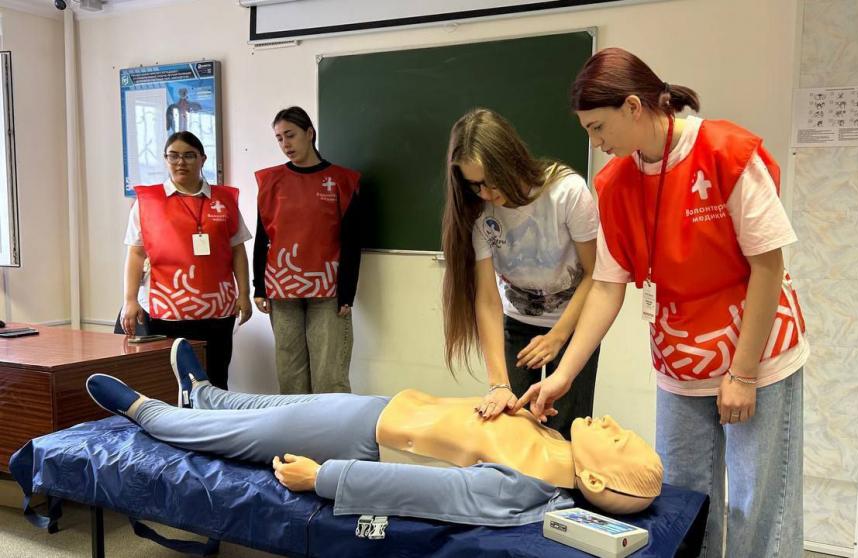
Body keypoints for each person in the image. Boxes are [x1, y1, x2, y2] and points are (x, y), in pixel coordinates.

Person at [512, 48, 808, 556]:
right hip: (681, 359)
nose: (596, 144)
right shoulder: (616, 184)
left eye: (598, 128)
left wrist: (742, 374)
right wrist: (562, 375)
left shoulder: (727, 153)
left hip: (756, 352)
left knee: (758, 501)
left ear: (633, 107)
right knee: (685, 500)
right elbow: (607, 286)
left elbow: (768, 266)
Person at [82, 339, 663, 526]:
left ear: (592, 478)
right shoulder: (554, 445)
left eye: (617, 439)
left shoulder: (527, 488)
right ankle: (206, 394)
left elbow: (430, 495)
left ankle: (148, 412)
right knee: (278, 404)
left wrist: (324, 477)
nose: (611, 422)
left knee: (241, 433)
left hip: (361, 439)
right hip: (385, 408)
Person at [441, 108, 600, 438]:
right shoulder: (479, 212)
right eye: (474, 185)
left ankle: (558, 492)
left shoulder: (567, 192)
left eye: (490, 180)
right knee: (507, 424)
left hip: (573, 324)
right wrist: (498, 383)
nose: (485, 193)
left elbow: (594, 275)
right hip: (516, 322)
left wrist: (558, 337)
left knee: (563, 432)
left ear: (509, 159)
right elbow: (487, 299)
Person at [121, 131, 252, 388]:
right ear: (165, 160)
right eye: (174, 156)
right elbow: (136, 253)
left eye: (189, 156)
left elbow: (237, 250)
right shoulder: (148, 201)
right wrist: (130, 299)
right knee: (171, 385)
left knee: (216, 380)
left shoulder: (223, 200)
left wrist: (244, 294)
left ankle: (215, 428)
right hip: (166, 311)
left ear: (202, 159)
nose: (181, 162)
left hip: (217, 310)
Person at [253, 106, 361, 394]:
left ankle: (334, 437)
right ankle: (297, 439)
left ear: (309, 133)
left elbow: (351, 241)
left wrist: (347, 291)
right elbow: (263, 236)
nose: (285, 144)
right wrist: (258, 288)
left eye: (290, 135)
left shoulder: (342, 181)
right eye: (279, 138)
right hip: (281, 289)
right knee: (290, 375)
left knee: (329, 376)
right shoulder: (270, 181)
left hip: (328, 291)